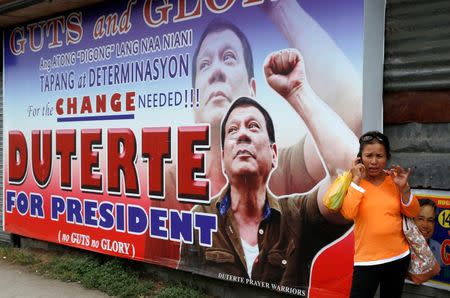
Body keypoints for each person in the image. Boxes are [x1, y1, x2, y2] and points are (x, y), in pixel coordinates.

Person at [145, 17, 359, 266]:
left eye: (229, 58)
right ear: (194, 100)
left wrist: (298, 91)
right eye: (204, 64)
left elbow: (352, 165)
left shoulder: (294, 207)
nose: (216, 71)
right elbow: (158, 268)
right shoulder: (173, 185)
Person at [178, 97, 350, 288]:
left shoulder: (297, 216)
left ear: (274, 154)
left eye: (253, 126)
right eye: (233, 130)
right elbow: (188, 286)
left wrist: (298, 91)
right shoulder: (200, 217)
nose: (242, 134)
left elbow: (350, 173)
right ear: (223, 159)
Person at [340, 131, 420, 298]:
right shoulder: (352, 181)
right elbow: (348, 213)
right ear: (360, 157)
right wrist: (355, 181)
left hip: (398, 257)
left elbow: (413, 212)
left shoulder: (394, 180)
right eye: (369, 155)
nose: (374, 161)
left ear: (387, 157)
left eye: (379, 156)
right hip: (366, 260)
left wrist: (404, 189)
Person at [414, 199, 443, 267]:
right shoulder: (401, 249)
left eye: (430, 220)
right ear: (412, 221)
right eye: (421, 219)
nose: (425, 225)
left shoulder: (439, 249)